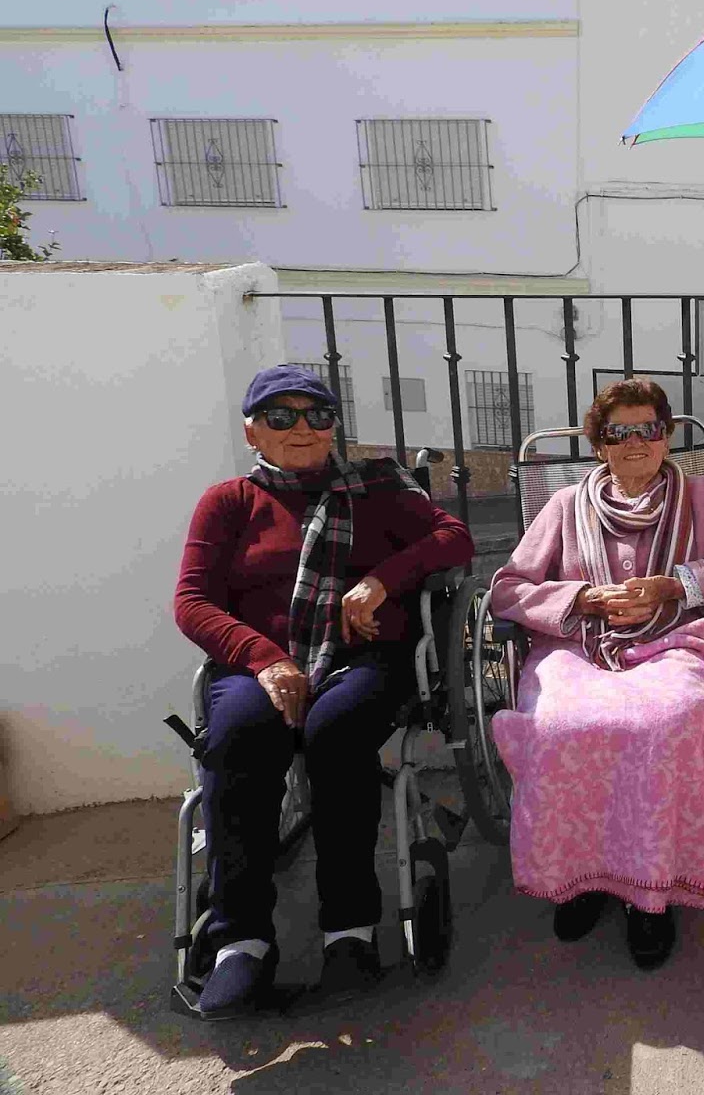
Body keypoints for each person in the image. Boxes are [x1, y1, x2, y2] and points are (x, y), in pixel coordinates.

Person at [173, 365, 473, 1019]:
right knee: (240, 735)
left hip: (362, 658)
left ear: (335, 426)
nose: (302, 428)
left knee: (336, 732)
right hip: (259, 663)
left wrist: (381, 581)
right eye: (281, 416)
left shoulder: (378, 488)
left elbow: (454, 538)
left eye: (318, 415)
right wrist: (263, 658)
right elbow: (192, 602)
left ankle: (350, 930)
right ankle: (241, 942)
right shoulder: (230, 503)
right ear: (252, 431)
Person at [488, 379, 704, 971]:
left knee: (667, 722)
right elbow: (509, 588)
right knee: (560, 725)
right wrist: (583, 599)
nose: (635, 441)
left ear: (665, 437)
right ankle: (583, 878)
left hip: (677, 643)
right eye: (619, 432)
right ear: (600, 445)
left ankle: (652, 893)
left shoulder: (700, 501)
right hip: (580, 647)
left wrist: (676, 586)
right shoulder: (563, 507)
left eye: (648, 428)